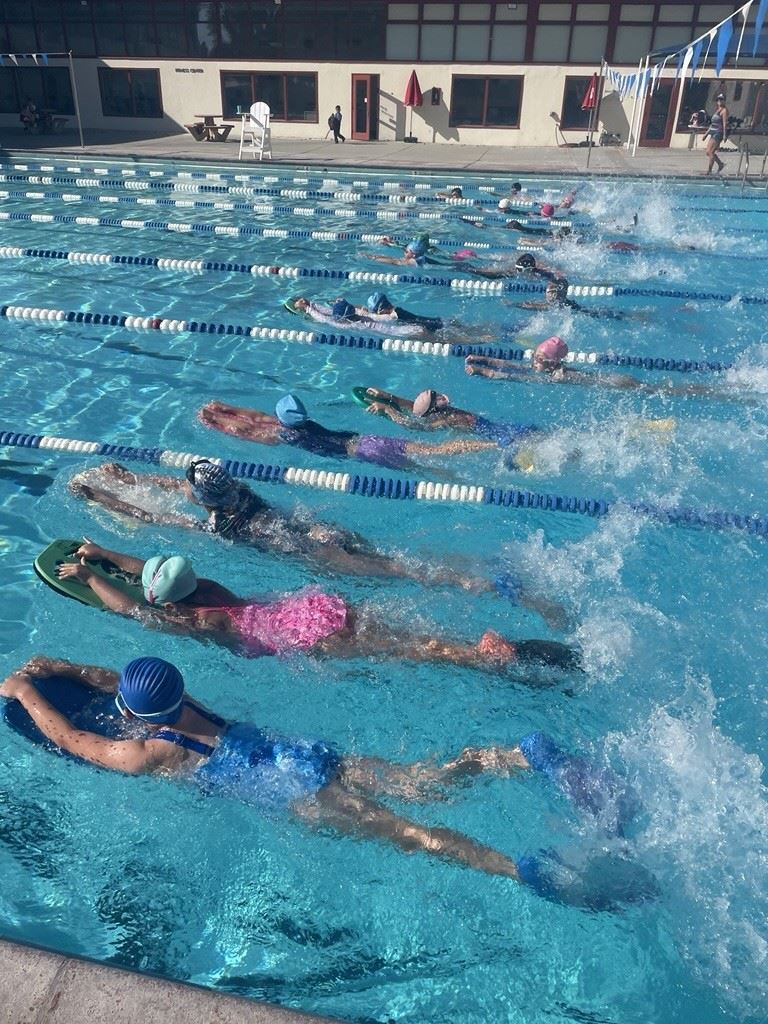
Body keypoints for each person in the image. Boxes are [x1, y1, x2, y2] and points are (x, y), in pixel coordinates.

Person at [0, 655, 649, 905]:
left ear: (134, 717)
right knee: (430, 780)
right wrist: (71, 669)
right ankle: (517, 755)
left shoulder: (152, 754)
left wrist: (27, 690)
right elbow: (129, 685)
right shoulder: (185, 701)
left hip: (299, 799)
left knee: (414, 834)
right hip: (308, 757)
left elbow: (70, 740)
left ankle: (525, 873)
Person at [67, 460, 563, 612]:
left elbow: (153, 519)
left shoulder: (218, 525)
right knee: (401, 558)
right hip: (321, 529)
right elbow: (187, 486)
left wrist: (102, 496)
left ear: (207, 503)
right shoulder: (240, 491)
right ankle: (486, 575)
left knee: (403, 573)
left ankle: (480, 585)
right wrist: (132, 476)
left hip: (310, 551)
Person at [53, 543, 579, 671]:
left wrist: (87, 577)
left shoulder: (200, 621)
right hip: (312, 608)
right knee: (403, 633)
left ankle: (480, 655)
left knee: (412, 652)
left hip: (306, 638)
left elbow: (132, 610)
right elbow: (157, 570)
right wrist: (101, 555)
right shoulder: (205, 587)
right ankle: (474, 645)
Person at [199, 393, 498, 473]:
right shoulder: (304, 424)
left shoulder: (284, 434)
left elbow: (247, 431)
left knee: (429, 462)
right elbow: (255, 418)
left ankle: (487, 447)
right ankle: (485, 446)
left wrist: (217, 421)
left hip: (365, 452)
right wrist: (224, 408)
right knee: (426, 457)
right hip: (364, 441)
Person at [465, 336, 722, 396]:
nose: (535, 361)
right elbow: (516, 367)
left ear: (555, 362)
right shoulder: (545, 367)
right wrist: (485, 359)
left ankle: (701, 389)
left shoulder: (558, 375)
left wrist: (484, 372)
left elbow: (516, 377)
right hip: (613, 379)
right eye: (535, 355)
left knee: (663, 390)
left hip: (619, 384)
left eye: (540, 358)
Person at [290, 295, 426, 337]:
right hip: (403, 328)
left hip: (400, 332)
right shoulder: (358, 314)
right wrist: (310, 303)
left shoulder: (346, 324)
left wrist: (308, 307)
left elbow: (324, 318)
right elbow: (331, 312)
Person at [703, 94, 728, 175]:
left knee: (711, 152)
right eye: (718, 99)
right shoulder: (717, 109)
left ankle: (709, 171)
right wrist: (706, 134)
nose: (719, 101)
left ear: (724, 101)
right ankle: (720, 164)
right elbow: (712, 124)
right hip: (713, 131)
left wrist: (724, 135)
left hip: (718, 133)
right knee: (708, 152)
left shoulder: (724, 110)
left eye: (721, 99)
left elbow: (724, 123)